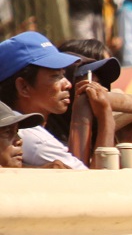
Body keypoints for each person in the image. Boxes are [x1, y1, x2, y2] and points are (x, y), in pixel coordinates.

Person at [0, 32, 95, 169]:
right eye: (55, 76)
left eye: (63, 74)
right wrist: (105, 119)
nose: (68, 84)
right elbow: (91, 181)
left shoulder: (47, 126)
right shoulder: (36, 139)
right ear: (24, 87)